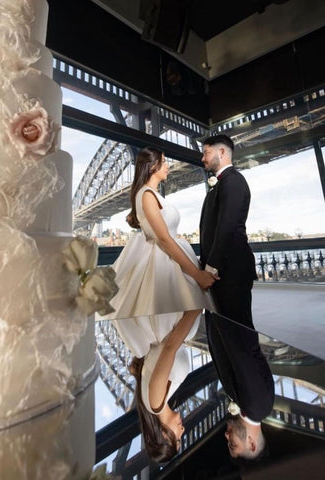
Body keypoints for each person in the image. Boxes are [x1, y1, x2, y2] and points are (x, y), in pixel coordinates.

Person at [106, 146, 218, 462]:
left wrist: (194, 296)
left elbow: (169, 348)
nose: (183, 430)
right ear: (152, 166)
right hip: (166, 268)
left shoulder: (156, 401)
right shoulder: (158, 401)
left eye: (178, 437)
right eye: (165, 162)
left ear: (163, 434)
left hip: (165, 269)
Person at [199, 134, 275, 460]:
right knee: (235, 329)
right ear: (253, 444)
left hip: (228, 273)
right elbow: (226, 227)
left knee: (228, 326)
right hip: (225, 273)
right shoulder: (258, 405)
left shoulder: (234, 183)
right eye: (234, 443)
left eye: (205, 154)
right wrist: (211, 269)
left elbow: (228, 227)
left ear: (220, 153)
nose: (228, 436)